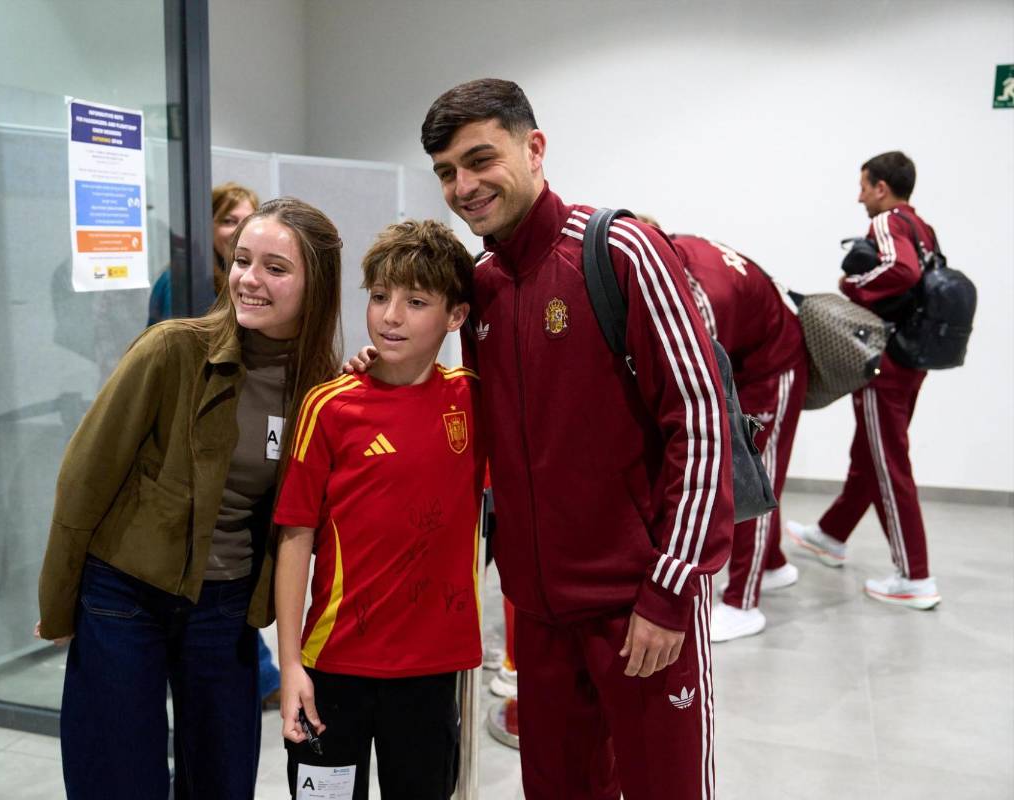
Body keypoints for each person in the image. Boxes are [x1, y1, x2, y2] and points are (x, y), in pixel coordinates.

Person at [420, 78, 733, 799]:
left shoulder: (620, 248)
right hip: (539, 616)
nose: (464, 186)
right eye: (446, 172)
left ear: (534, 148)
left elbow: (701, 418)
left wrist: (669, 591)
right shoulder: (485, 286)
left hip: (641, 609)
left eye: (480, 159)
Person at [36, 197, 343, 799]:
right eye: (242, 260)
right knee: (119, 781)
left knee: (223, 781)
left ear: (316, 283)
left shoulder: (321, 386)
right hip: (125, 597)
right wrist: (60, 602)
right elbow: (83, 479)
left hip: (224, 610)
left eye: (275, 268)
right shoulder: (172, 350)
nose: (249, 280)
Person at [274, 220, 484, 799]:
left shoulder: (474, 399)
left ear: (456, 316)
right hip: (333, 667)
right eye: (379, 297)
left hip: (431, 672)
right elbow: (293, 538)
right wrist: (290, 665)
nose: (390, 316)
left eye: (416, 302)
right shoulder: (331, 406)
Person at [140, 183, 283, 708]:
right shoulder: (184, 286)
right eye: (229, 224)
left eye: (248, 222)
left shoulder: (244, 292)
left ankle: (260, 675)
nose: (239, 235)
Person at [787, 151, 941, 610]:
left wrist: (851, 286)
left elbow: (902, 270)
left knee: (890, 462)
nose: (859, 196)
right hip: (913, 359)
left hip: (885, 361)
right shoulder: (922, 226)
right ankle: (831, 535)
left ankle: (915, 576)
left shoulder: (888, 222)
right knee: (871, 454)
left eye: (863, 186)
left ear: (880, 187)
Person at [666, 230, 808, 641]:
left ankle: (742, 603)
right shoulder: (678, 246)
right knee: (756, 470)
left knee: (750, 480)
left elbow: (696, 388)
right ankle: (775, 564)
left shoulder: (706, 300)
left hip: (774, 367)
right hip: (753, 357)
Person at [147, 181, 258, 325]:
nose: (241, 231)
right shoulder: (186, 279)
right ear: (206, 227)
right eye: (229, 221)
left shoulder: (243, 275)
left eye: (249, 222)